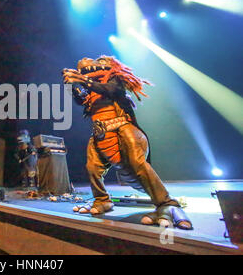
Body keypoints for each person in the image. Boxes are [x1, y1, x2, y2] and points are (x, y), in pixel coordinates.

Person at [63, 56, 192, 230]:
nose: (87, 60)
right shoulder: (92, 89)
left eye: (98, 61)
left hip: (122, 129)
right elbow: (82, 100)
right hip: (100, 134)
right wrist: (72, 87)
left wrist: (84, 80)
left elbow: (112, 90)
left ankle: (167, 204)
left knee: (137, 164)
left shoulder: (114, 80)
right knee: (92, 167)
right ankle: (102, 200)